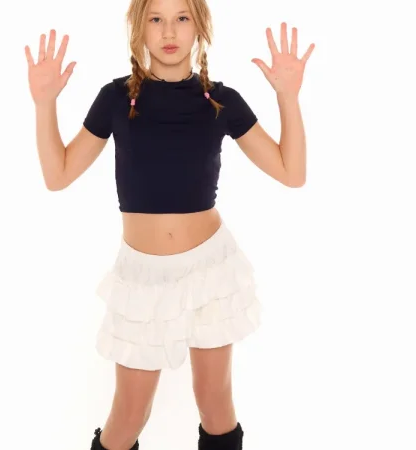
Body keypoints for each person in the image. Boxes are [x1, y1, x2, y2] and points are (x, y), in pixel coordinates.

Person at [24, 0, 314, 448]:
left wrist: (287, 98)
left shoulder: (221, 100)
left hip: (210, 270)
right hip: (143, 276)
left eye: (182, 18)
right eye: (156, 20)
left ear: (200, 26)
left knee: (215, 404)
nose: (168, 31)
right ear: (139, 28)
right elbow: (57, 175)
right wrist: (44, 104)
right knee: (128, 415)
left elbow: (291, 173)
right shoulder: (116, 98)